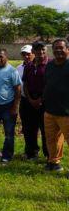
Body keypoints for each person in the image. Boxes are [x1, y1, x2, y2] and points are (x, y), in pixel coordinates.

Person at [43, 38, 69, 173]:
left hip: (66, 112)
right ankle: (54, 162)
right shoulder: (50, 65)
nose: (58, 50)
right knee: (51, 139)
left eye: (61, 48)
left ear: (67, 50)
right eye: (56, 48)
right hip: (50, 111)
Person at [20, 41, 48, 162]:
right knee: (29, 128)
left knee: (46, 129)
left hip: (45, 102)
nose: (40, 52)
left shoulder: (50, 65)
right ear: (34, 52)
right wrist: (31, 99)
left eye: (42, 50)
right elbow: (25, 84)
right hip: (29, 101)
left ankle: (49, 155)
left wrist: (40, 100)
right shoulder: (29, 66)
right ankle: (31, 153)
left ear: (45, 50)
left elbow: (50, 85)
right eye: (37, 50)